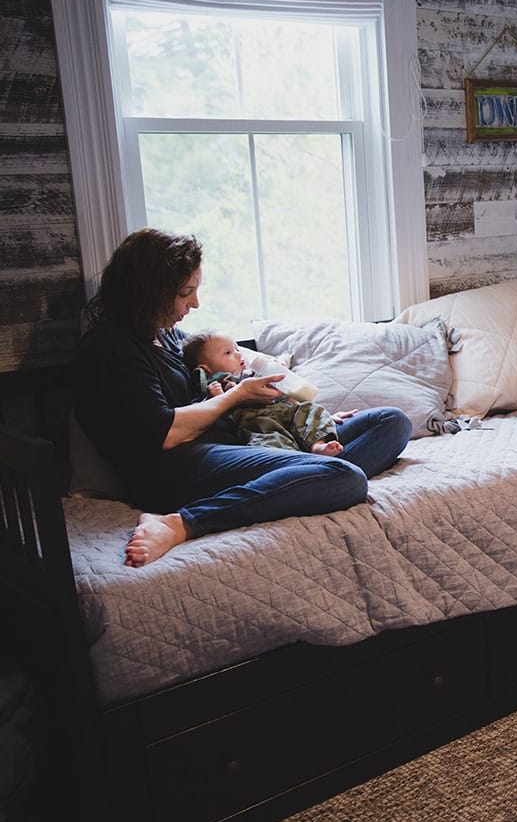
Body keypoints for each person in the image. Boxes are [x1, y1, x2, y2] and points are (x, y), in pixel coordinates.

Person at [72, 227, 413, 568]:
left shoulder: (168, 336)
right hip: (177, 469)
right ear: (149, 292)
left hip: (238, 439)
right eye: (184, 292)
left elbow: (228, 374)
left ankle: (304, 474)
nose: (195, 303)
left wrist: (305, 426)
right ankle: (183, 522)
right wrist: (236, 396)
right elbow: (164, 433)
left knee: (391, 423)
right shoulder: (111, 348)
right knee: (346, 478)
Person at [183, 330, 343, 457]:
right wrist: (216, 395)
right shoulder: (219, 383)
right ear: (206, 368)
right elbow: (214, 411)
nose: (238, 354)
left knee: (310, 410)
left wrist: (324, 417)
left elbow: (291, 394)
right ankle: (298, 461)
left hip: (287, 411)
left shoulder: (254, 373)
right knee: (269, 438)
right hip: (259, 420)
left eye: (237, 349)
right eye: (228, 353)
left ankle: (318, 446)